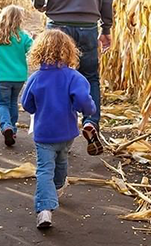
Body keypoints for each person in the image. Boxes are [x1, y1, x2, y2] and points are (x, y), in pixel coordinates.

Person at [27, 0, 113, 155]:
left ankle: (54, 136)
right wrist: (106, 28)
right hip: (88, 26)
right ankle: (90, 122)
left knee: (52, 77)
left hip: (57, 26)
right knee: (89, 77)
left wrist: (40, 4)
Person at [21, 30, 97, 229]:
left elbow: (27, 105)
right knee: (62, 160)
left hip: (44, 133)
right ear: (69, 51)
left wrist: (39, 104)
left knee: (45, 169)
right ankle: (55, 189)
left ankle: (45, 209)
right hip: (67, 132)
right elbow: (84, 102)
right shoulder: (74, 77)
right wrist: (89, 110)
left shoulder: (36, 78)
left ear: (39, 51)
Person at [0, 5, 33, 146]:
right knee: (13, 102)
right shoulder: (24, 37)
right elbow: (33, 51)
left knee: (3, 103)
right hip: (19, 77)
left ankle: (6, 126)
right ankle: (13, 129)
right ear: (20, 20)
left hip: (3, 77)